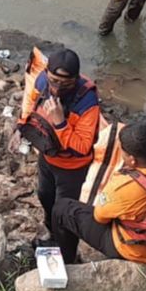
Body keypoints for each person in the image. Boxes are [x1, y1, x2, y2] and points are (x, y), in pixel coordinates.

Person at [50, 122, 146, 264]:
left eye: (122, 150)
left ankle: (67, 262)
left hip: (136, 251)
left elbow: (99, 217)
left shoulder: (123, 187)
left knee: (62, 209)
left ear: (132, 160)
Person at [15, 49, 101, 235]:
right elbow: (31, 103)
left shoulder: (87, 102)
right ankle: (50, 230)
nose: (57, 87)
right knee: (45, 196)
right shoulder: (42, 81)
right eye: (54, 80)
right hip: (47, 154)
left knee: (64, 212)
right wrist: (21, 126)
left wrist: (60, 122)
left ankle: (66, 252)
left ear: (76, 79)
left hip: (72, 168)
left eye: (65, 83)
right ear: (47, 73)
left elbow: (82, 148)